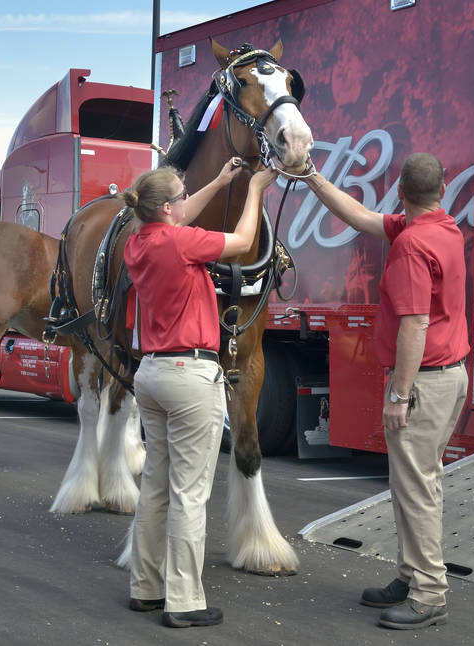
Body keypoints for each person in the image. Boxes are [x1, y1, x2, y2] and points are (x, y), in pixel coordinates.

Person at [300, 153, 467, 630]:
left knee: (416, 490)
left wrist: (399, 393)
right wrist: (311, 176)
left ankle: (429, 593)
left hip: (425, 381)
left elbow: (414, 325)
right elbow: (360, 217)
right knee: (414, 485)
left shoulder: (413, 246)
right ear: (441, 189)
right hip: (448, 377)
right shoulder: (442, 227)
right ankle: (411, 576)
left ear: (400, 191)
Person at [121, 159, 270, 629]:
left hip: (152, 372)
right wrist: (255, 191)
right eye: (181, 197)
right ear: (167, 208)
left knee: (156, 488)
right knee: (190, 494)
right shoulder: (181, 243)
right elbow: (244, 243)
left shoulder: (138, 242)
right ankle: (184, 599)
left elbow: (178, 214)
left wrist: (220, 182)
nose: (187, 203)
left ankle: (146, 587)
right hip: (190, 375)